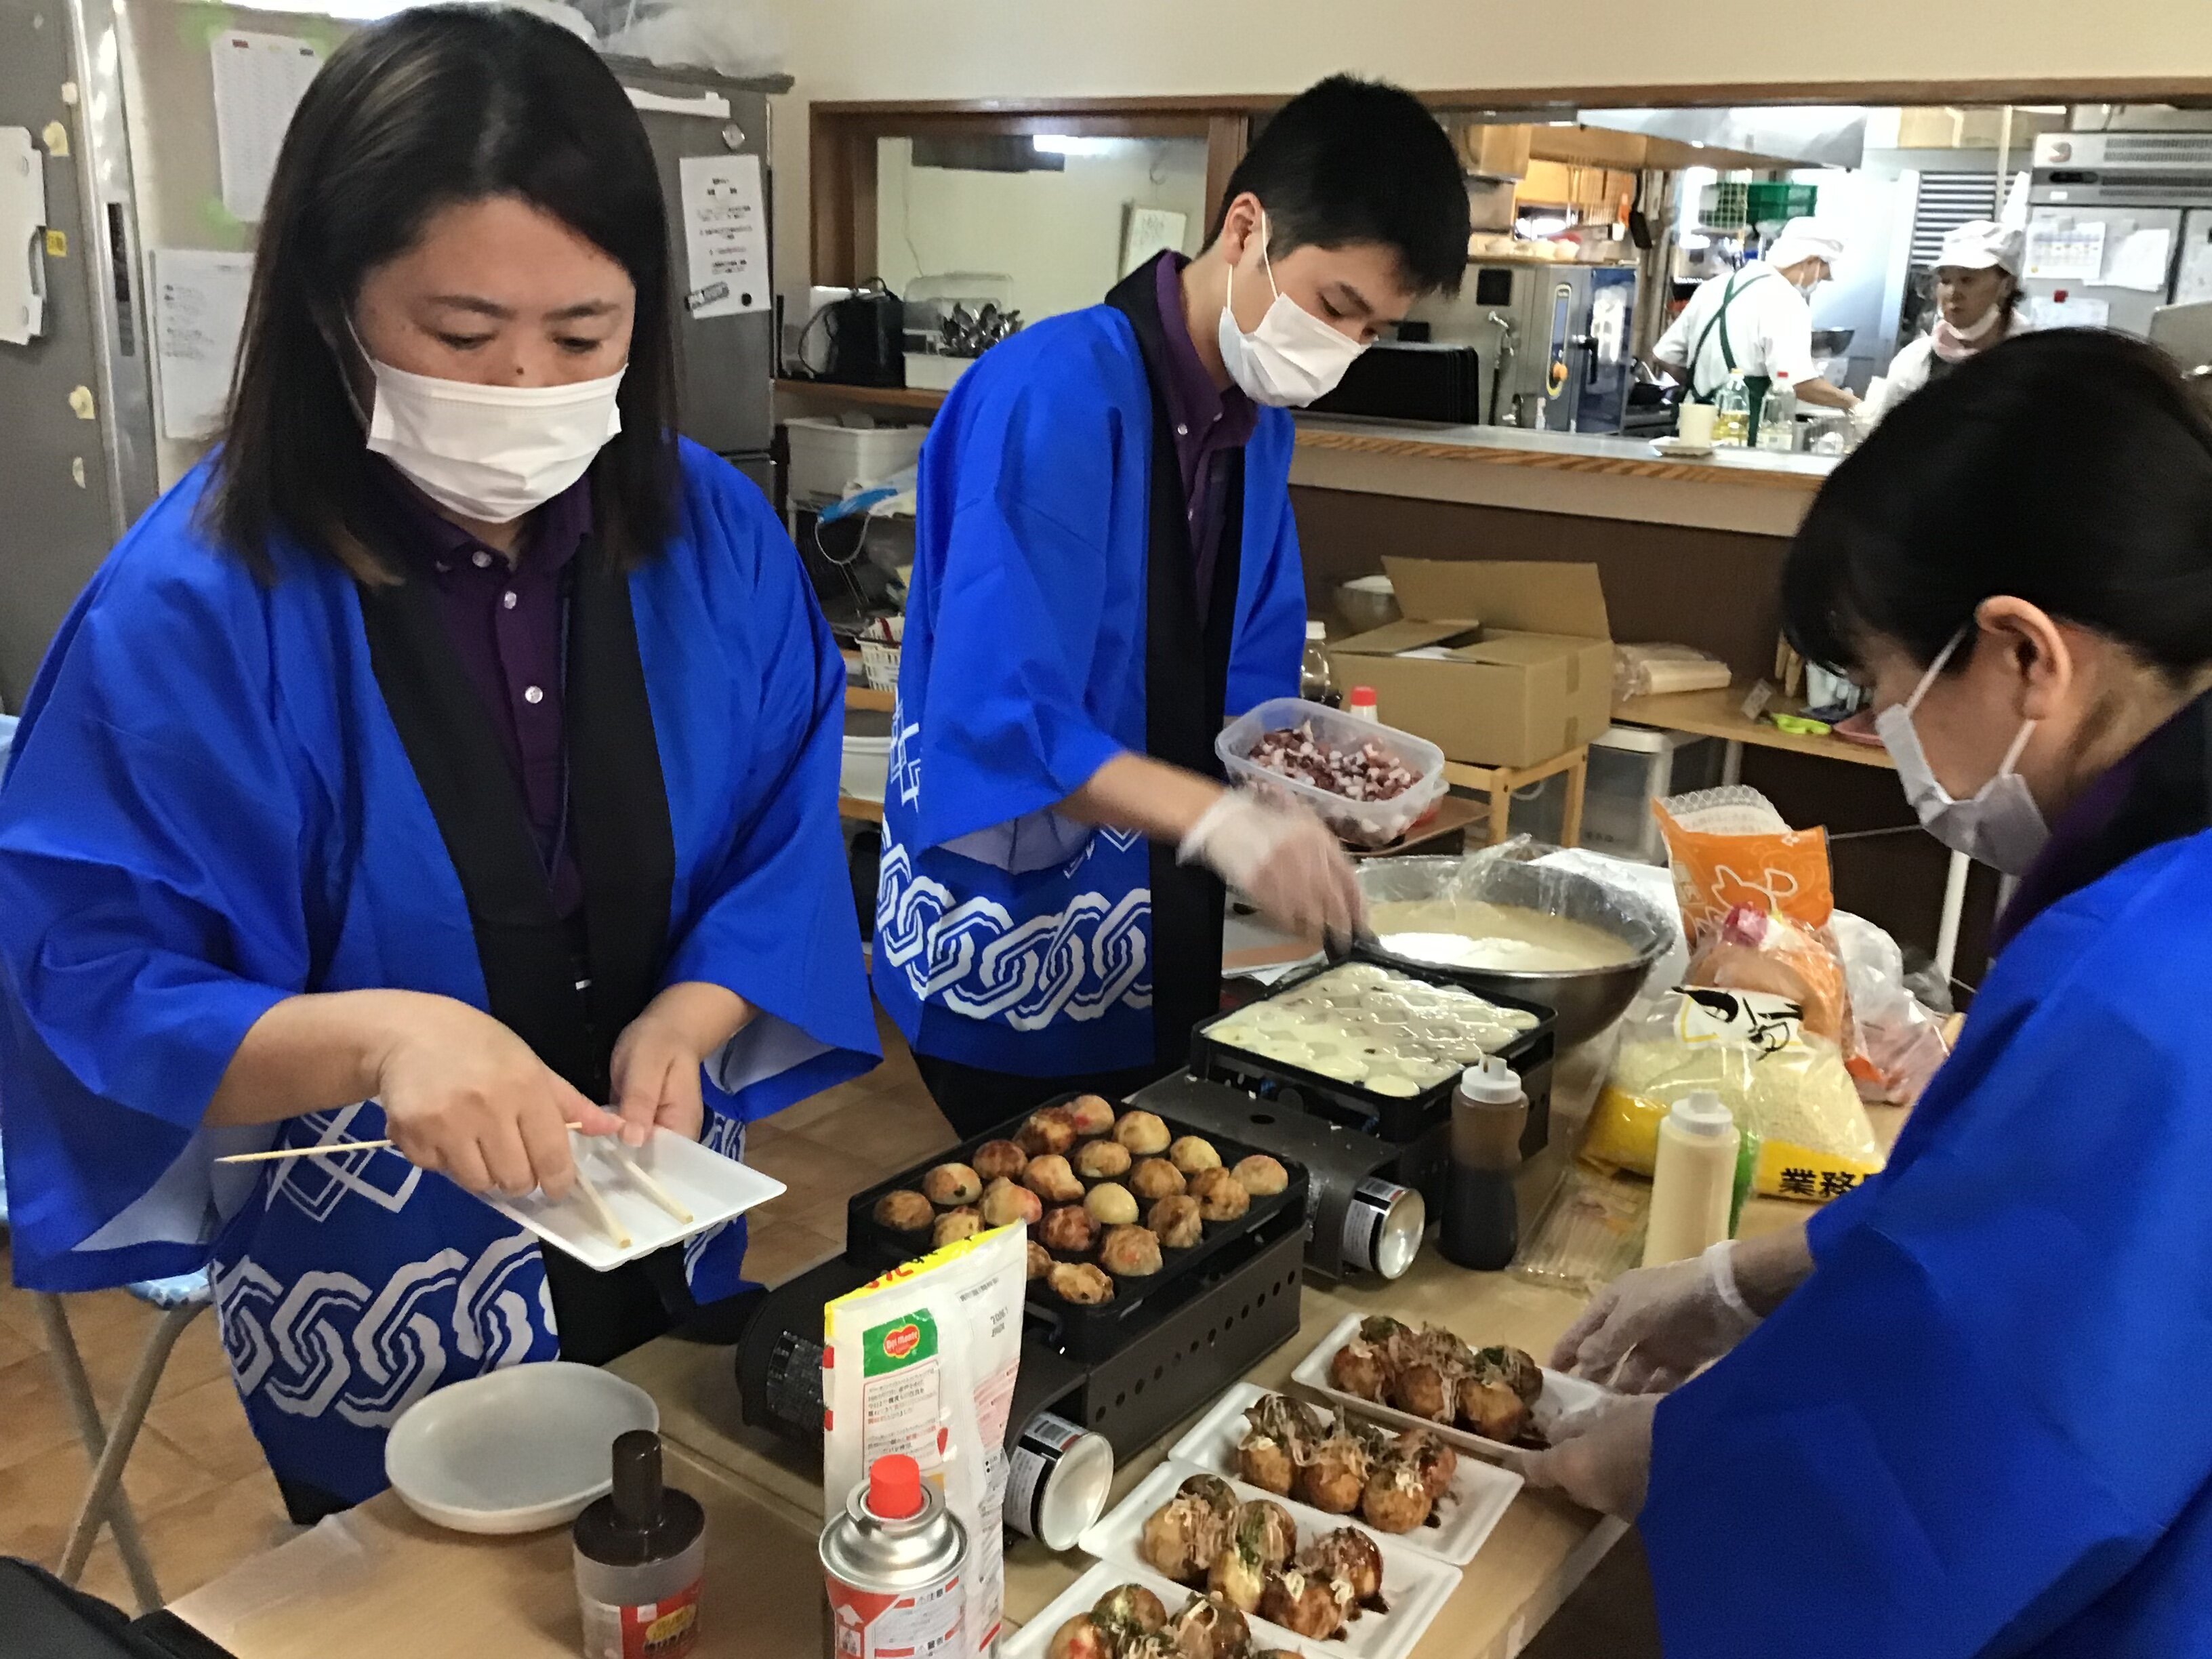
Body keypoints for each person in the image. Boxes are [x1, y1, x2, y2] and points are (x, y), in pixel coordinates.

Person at [0, 7, 876, 1519]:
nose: (526, 384)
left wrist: (697, 1007)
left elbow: (780, 829)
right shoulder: (191, 606)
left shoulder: (714, 540)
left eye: (583, 336)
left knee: (682, 1534)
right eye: (463, 337)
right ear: (329, 305)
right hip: (381, 1291)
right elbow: (88, 969)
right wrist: (382, 1040)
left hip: (660, 1218)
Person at [1525, 330, 2212, 1656]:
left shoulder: (2142, 985)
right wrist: (1752, 1276)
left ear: (2021, 653)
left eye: (1884, 688)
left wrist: (1675, 1454)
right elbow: (2007, 1227)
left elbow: (1984, 1433)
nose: (1879, 729)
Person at [873, 77, 1471, 1136]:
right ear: (1246, 229)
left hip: (1159, 933)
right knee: (1040, 1194)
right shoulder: (1052, 393)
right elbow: (1004, 710)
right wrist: (1221, 821)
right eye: (1336, 306)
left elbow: (1251, 679)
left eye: (1374, 331)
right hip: (1014, 935)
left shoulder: (1258, 423)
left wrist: (1320, 791)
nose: (1342, 349)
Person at [1650, 216, 1859, 432]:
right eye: (1822, 276)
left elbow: (1663, 356)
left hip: (1691, 429)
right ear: (1811, 261)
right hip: (1739, 436)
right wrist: (1854, 404)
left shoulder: (1712, 287)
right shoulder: (1786, 299)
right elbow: (1800, 384)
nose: (1817, 283)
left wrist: (1703, 384)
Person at [1859, 218, 2030, 426]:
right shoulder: (1916, 362)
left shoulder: (2034, 361)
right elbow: (1889, 435)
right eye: (1945, 280)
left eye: (1967, 280)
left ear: (2007, 286)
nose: (1952, 293)